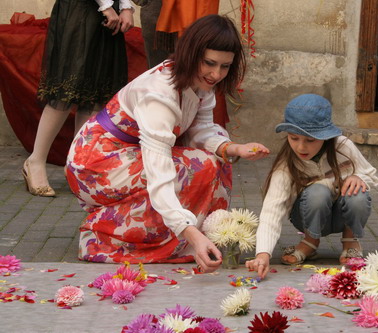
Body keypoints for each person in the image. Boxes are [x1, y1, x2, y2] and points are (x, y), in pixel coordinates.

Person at [65, 15, 270, 273]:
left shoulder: (200, 81)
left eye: (225, 66)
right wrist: (190, 233)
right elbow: (159, 171)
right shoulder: (158, 94)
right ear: (191, 53)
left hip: (129, 155)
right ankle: (108, 237)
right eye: (209, 63)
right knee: (198, 165)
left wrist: (233, 149)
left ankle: (195, 237)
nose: (216, 74)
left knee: (217, 160)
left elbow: (201, 128)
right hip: (95, 161)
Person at [245, 94, 378, 279]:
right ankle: (310, 242)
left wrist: (358, 177)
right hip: (307, 215)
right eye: (294, 138)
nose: (301, 147)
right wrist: (262, 253)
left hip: (342, 214)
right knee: (317, 192)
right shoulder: (286, 164)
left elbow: (370, 173)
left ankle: (350, 242)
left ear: (326, 136)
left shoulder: (343, 146)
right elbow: (272, 210)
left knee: (358, 195)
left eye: (310, 140)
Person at [22, 0, 134, 197]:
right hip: (80, 9)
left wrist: (125, 6)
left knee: (95, 94)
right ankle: (35, 161)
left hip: (108, 13)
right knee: (66, 90)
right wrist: (106, 6)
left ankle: (76, 166)